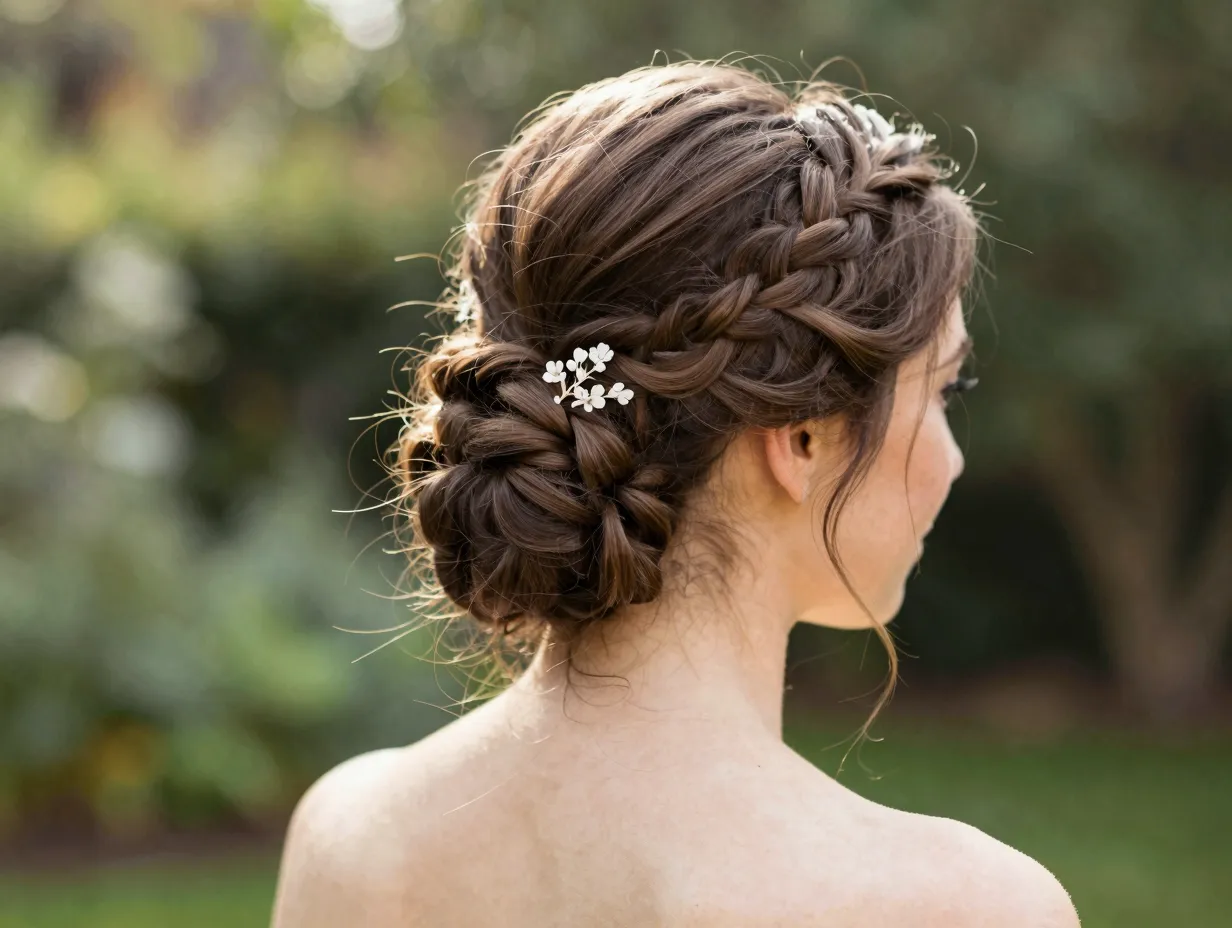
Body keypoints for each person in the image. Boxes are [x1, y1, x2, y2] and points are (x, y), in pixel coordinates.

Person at [271, 61, 1080, 927]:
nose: (952, 459)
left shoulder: (353, 839)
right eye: (943, 390)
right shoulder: (961, 907)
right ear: (801, 436)